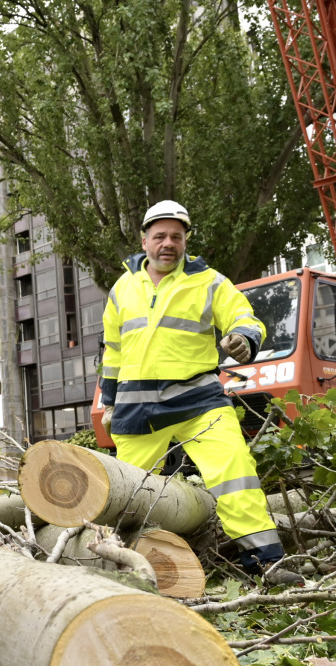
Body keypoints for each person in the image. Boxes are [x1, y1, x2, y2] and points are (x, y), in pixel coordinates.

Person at [98, 200, 302, 586]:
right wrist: (109, 399)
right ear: (144, 241)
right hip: (136, 407)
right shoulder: (122, 288)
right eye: (159, 236)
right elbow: (113, 350)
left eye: (176, 236)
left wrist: (244, 338)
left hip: (198, 401)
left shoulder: (210, 281)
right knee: (130, 494)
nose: (167, 244)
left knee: (234, 473)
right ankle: (120, 565)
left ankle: (265, 564)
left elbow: (244, 317)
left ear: (185, 240)